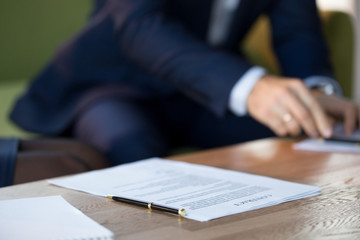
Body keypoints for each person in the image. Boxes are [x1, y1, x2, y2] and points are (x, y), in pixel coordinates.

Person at [9, 0, 360, 167]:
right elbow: (139, 27)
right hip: (116, 86)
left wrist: (315, 93)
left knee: (302, 134)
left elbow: (297, 32)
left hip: (206, 93)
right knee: (135, 161)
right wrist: (251, 87)